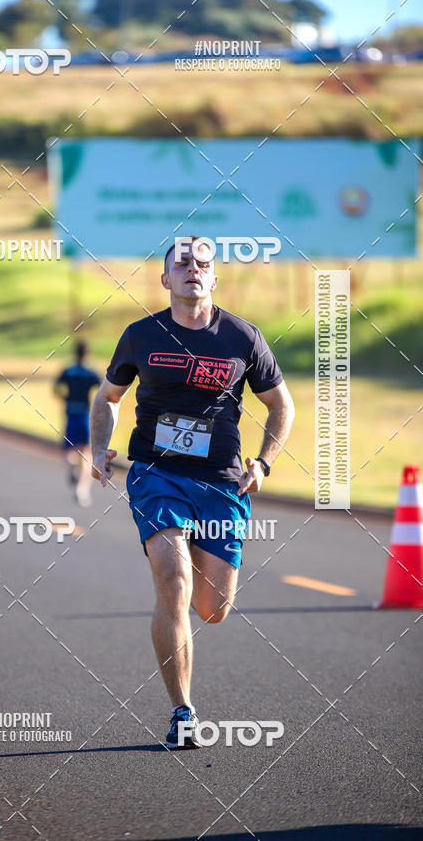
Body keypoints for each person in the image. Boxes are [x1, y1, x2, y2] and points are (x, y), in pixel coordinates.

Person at [90, 237, 294, 749]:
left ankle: (193, 640)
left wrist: (264, 461)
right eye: (182, 263)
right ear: (165, 280)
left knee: (214, 607)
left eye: (202, 263)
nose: (193, 269)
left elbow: (281, 405)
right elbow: (108, 398)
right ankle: (183, 712)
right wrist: (99, 448)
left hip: (222, 482)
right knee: (173, 579)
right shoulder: (141, 335)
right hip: (156, 475)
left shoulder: (243, 337)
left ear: (214, 279)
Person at [54, 340, 101, 507]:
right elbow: (104, 389)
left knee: (68, 449)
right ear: (87, 353)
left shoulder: (68, 370)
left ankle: (72, 464)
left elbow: (56, 387)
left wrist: (64, 398)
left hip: (70, 413)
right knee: (86, 452)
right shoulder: (90, 372)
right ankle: (82, 490)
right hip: (84, 414)